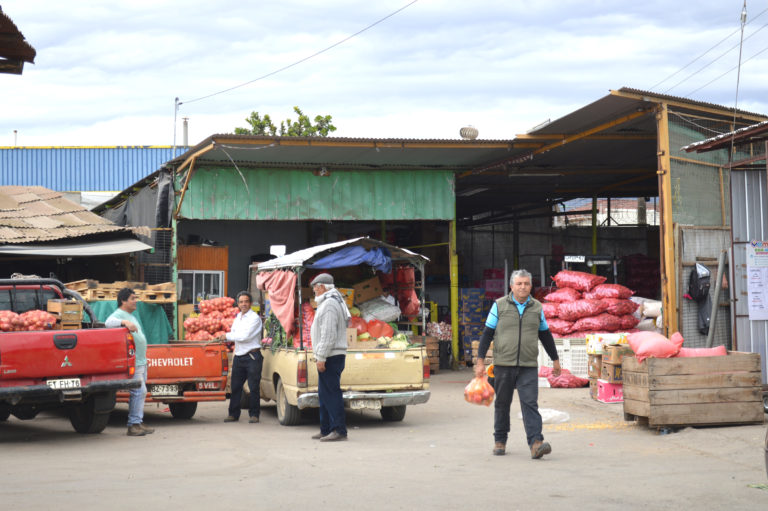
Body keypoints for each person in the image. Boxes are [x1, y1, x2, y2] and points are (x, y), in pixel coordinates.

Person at [475, 269, 561, 458]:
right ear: (511, 286)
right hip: (503, 364)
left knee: (530, 403)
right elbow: (487, 334)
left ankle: (536, 443)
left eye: (526, 284)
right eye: (519, 283)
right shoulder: (499, 306)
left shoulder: (537, 308)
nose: (523, 287)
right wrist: (480, 361)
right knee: (502, 404)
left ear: (531, 286)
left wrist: (555, 360)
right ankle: (500, 440)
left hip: (528, 365)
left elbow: (545, 335)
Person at [105, 288, 154, 437]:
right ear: (123, 301)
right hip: (134, 362)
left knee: (141, 392)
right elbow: (108, 323)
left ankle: (138, 422)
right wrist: (124, 322)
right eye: (132, 298)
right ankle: (133, 425)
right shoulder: (120, 315)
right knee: (139, 391)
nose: (135, 301)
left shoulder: (131, 315)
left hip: (141, 360)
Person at [309, 273, 350, 442]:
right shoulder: (330, 302)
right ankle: (325, 428)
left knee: (331, 394)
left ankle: (339, 430)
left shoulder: (330, 305)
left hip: (331, 356)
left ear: (322, 287)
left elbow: (328, 334)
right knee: (324, 394)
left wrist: (321, 357)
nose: (313, 291)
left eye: (315, 287)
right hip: (329, 355)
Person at [219, 291, 263, 423]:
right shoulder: (238, 317)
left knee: (253, 387)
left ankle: (254, 414)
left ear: (250, 303)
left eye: (246, 301)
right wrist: (228, 336)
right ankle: (233, 414)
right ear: (238, 304)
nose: (243, 304)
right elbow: (235, 333)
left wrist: (226, 336)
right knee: (236, 386)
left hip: (252, 356)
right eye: (241, 302)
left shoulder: (254, 318)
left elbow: (244, 336)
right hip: (238, 356)